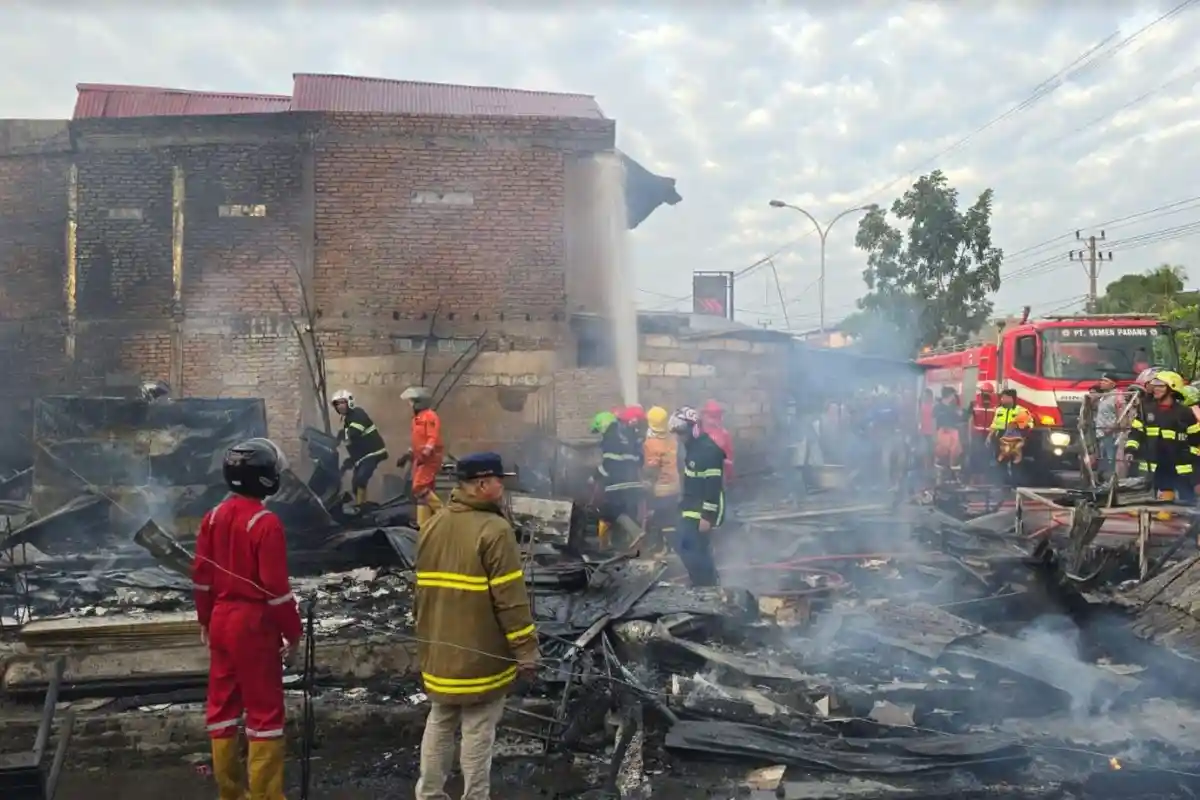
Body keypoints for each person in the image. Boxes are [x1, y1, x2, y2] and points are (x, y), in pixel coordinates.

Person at [414, 452, 538, 800]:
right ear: (483, 484)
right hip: (481, 655)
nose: (503, 485)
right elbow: (511, 601)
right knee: (478, 729)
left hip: (439, 652)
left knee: (440, 721)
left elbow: (420, 596)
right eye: (500, 479)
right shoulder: (495, 530)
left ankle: (429, 794)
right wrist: (526, 649)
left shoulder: (433, 524)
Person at [192, 438, 302, 800]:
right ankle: (267, 796)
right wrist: (294, 632)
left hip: (221, 620)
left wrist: (205, 620)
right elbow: (276, 589)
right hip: (253, 625)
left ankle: (231, 793)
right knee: (264, 713)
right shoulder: (266, 523)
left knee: (222, 708)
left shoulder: (212, 517)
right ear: (267, 478)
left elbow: (202, 578)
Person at [670, 406, 726, 586]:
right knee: (686, 545)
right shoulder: (693, 449)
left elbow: (713, 486)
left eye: (681, 433)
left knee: (692, 547)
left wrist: (707, 516)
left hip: (704, 510)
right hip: (691, 507)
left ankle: (706, 584)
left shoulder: (708, 451)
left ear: (693, 429)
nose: (678, 437)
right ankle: (702, 582)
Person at [1125, 370, 1196, 507]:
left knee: (1188, 507)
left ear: (1172, 389)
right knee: (1149, 505)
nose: (1155, 389)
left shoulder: (1184, 412)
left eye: (1160, 386)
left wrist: (1190, 457)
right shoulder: (1146, 410)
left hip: (1180, 468)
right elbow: (1135, 433)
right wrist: (1130, 450)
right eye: (1154, 385)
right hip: (1154, 465)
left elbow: (1196, 439)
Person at [591, 410, 643, 550]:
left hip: (618, 484)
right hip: (634, 482)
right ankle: (622, 547)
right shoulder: (627, 435)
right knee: (626, 513)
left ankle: (637, 533)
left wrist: (595, 475)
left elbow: (608, 464)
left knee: (611, 511)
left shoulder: (609, 438)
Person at [331, 389, 388, 506]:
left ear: (349, 402)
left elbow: (355, 432)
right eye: (337, 404)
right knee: (356, 484)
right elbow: (354, 443)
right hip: (362, 456)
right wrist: (349, 461)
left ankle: (361, 507)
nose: (340, 406)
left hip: (373, 453)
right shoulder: (347, 419)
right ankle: (361, 504)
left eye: (342, 402)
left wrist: (342, 435)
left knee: (360, 479)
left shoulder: (357, 414)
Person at [397, 386, 445, 527]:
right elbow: (418, 439)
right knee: (424, 493)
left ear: (419, 402)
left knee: (418, 487)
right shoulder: (417, 419)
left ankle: (444, 515)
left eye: (411, 401)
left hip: (430, 458)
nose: (409, 404)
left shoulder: (430, 416)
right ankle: (423, 523)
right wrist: (408, 455)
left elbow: (432, 437)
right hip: (421, 458)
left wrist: (426, 452)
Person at [642, 406, 680, 556]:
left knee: (662, 519)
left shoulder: (651, 444)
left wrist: (645, 480)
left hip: (660, 488)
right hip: (675, 486)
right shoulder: (672, 440)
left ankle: (666, 549)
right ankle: (667, 547)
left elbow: (651, 468)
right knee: (670, 518)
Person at [1092, 374, 1123, 479]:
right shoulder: (1103, 396)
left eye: (1105, 381)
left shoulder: (1117, 396)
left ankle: (1111, 480)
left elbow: (1121, 415)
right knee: (1102, 458)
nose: (1101, 383)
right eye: (1101, 381)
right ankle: (1102, 480)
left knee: (1110, 459)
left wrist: (1112, 428)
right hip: (1100, 433)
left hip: (1110, 434)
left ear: (1113, 384)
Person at [933, 387, 965, 480]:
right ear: (949, 395)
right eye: (953, 395)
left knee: (955, 457)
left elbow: (961, 418)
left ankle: (953, 478)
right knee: (942, 458)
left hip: (953, 435)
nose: (954, 397)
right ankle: (940, 479)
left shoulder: (954, 407)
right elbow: (933, 421)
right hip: (942, 434)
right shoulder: (937, 407)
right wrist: (934, 436)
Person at [700, 399, 735, 485]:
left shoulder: (723, 434)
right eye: (711, 416)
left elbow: (728, 459)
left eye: (715, 416)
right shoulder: (699, 433)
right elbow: (728, 459)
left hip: (712, 479)